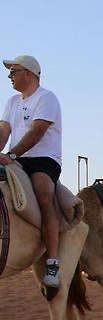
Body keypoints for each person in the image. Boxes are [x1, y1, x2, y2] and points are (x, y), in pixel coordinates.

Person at [0, 55, 63, 287]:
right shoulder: (12, 102)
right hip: (16, 157)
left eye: (12, 71)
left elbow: (37, 132)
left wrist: (12, 155)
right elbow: (4, 131)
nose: (9, 76)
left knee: (44, 193)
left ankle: (53, 262)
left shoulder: (47, 98)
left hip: (43, 159)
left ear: (28, 73)